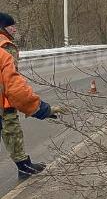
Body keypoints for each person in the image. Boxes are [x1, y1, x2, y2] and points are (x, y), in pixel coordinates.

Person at [0, 12, 62, 180]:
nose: (14, 29)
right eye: (11, 26)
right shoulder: (5, 48)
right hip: (4, 103)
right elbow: (13, 86)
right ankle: (24, 167)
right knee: (12, 132)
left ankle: (24, 166)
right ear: (3, 28)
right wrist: (41, 109)